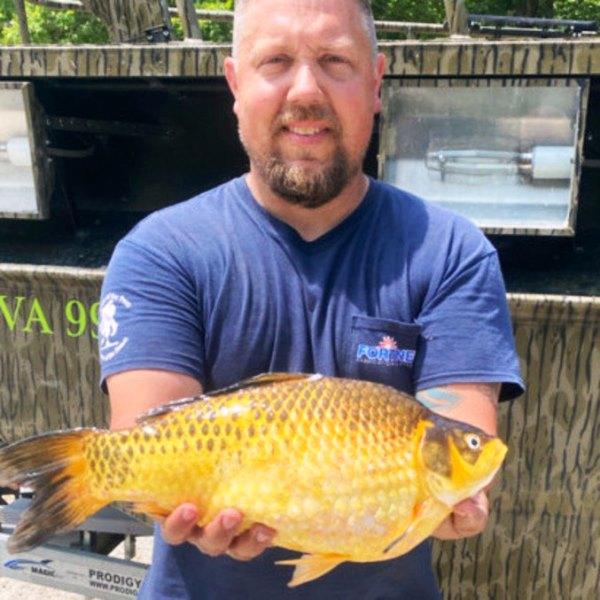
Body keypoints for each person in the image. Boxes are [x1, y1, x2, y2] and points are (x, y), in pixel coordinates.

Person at [99, 0, 524, 598]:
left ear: (375, 82)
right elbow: (145, 439)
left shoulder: (449, 251)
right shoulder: (160, 250)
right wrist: (169, 503)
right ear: (235, 86)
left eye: (335, 61)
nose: (306, 90)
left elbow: (461, 435)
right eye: (275, 61)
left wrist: (460, 501)